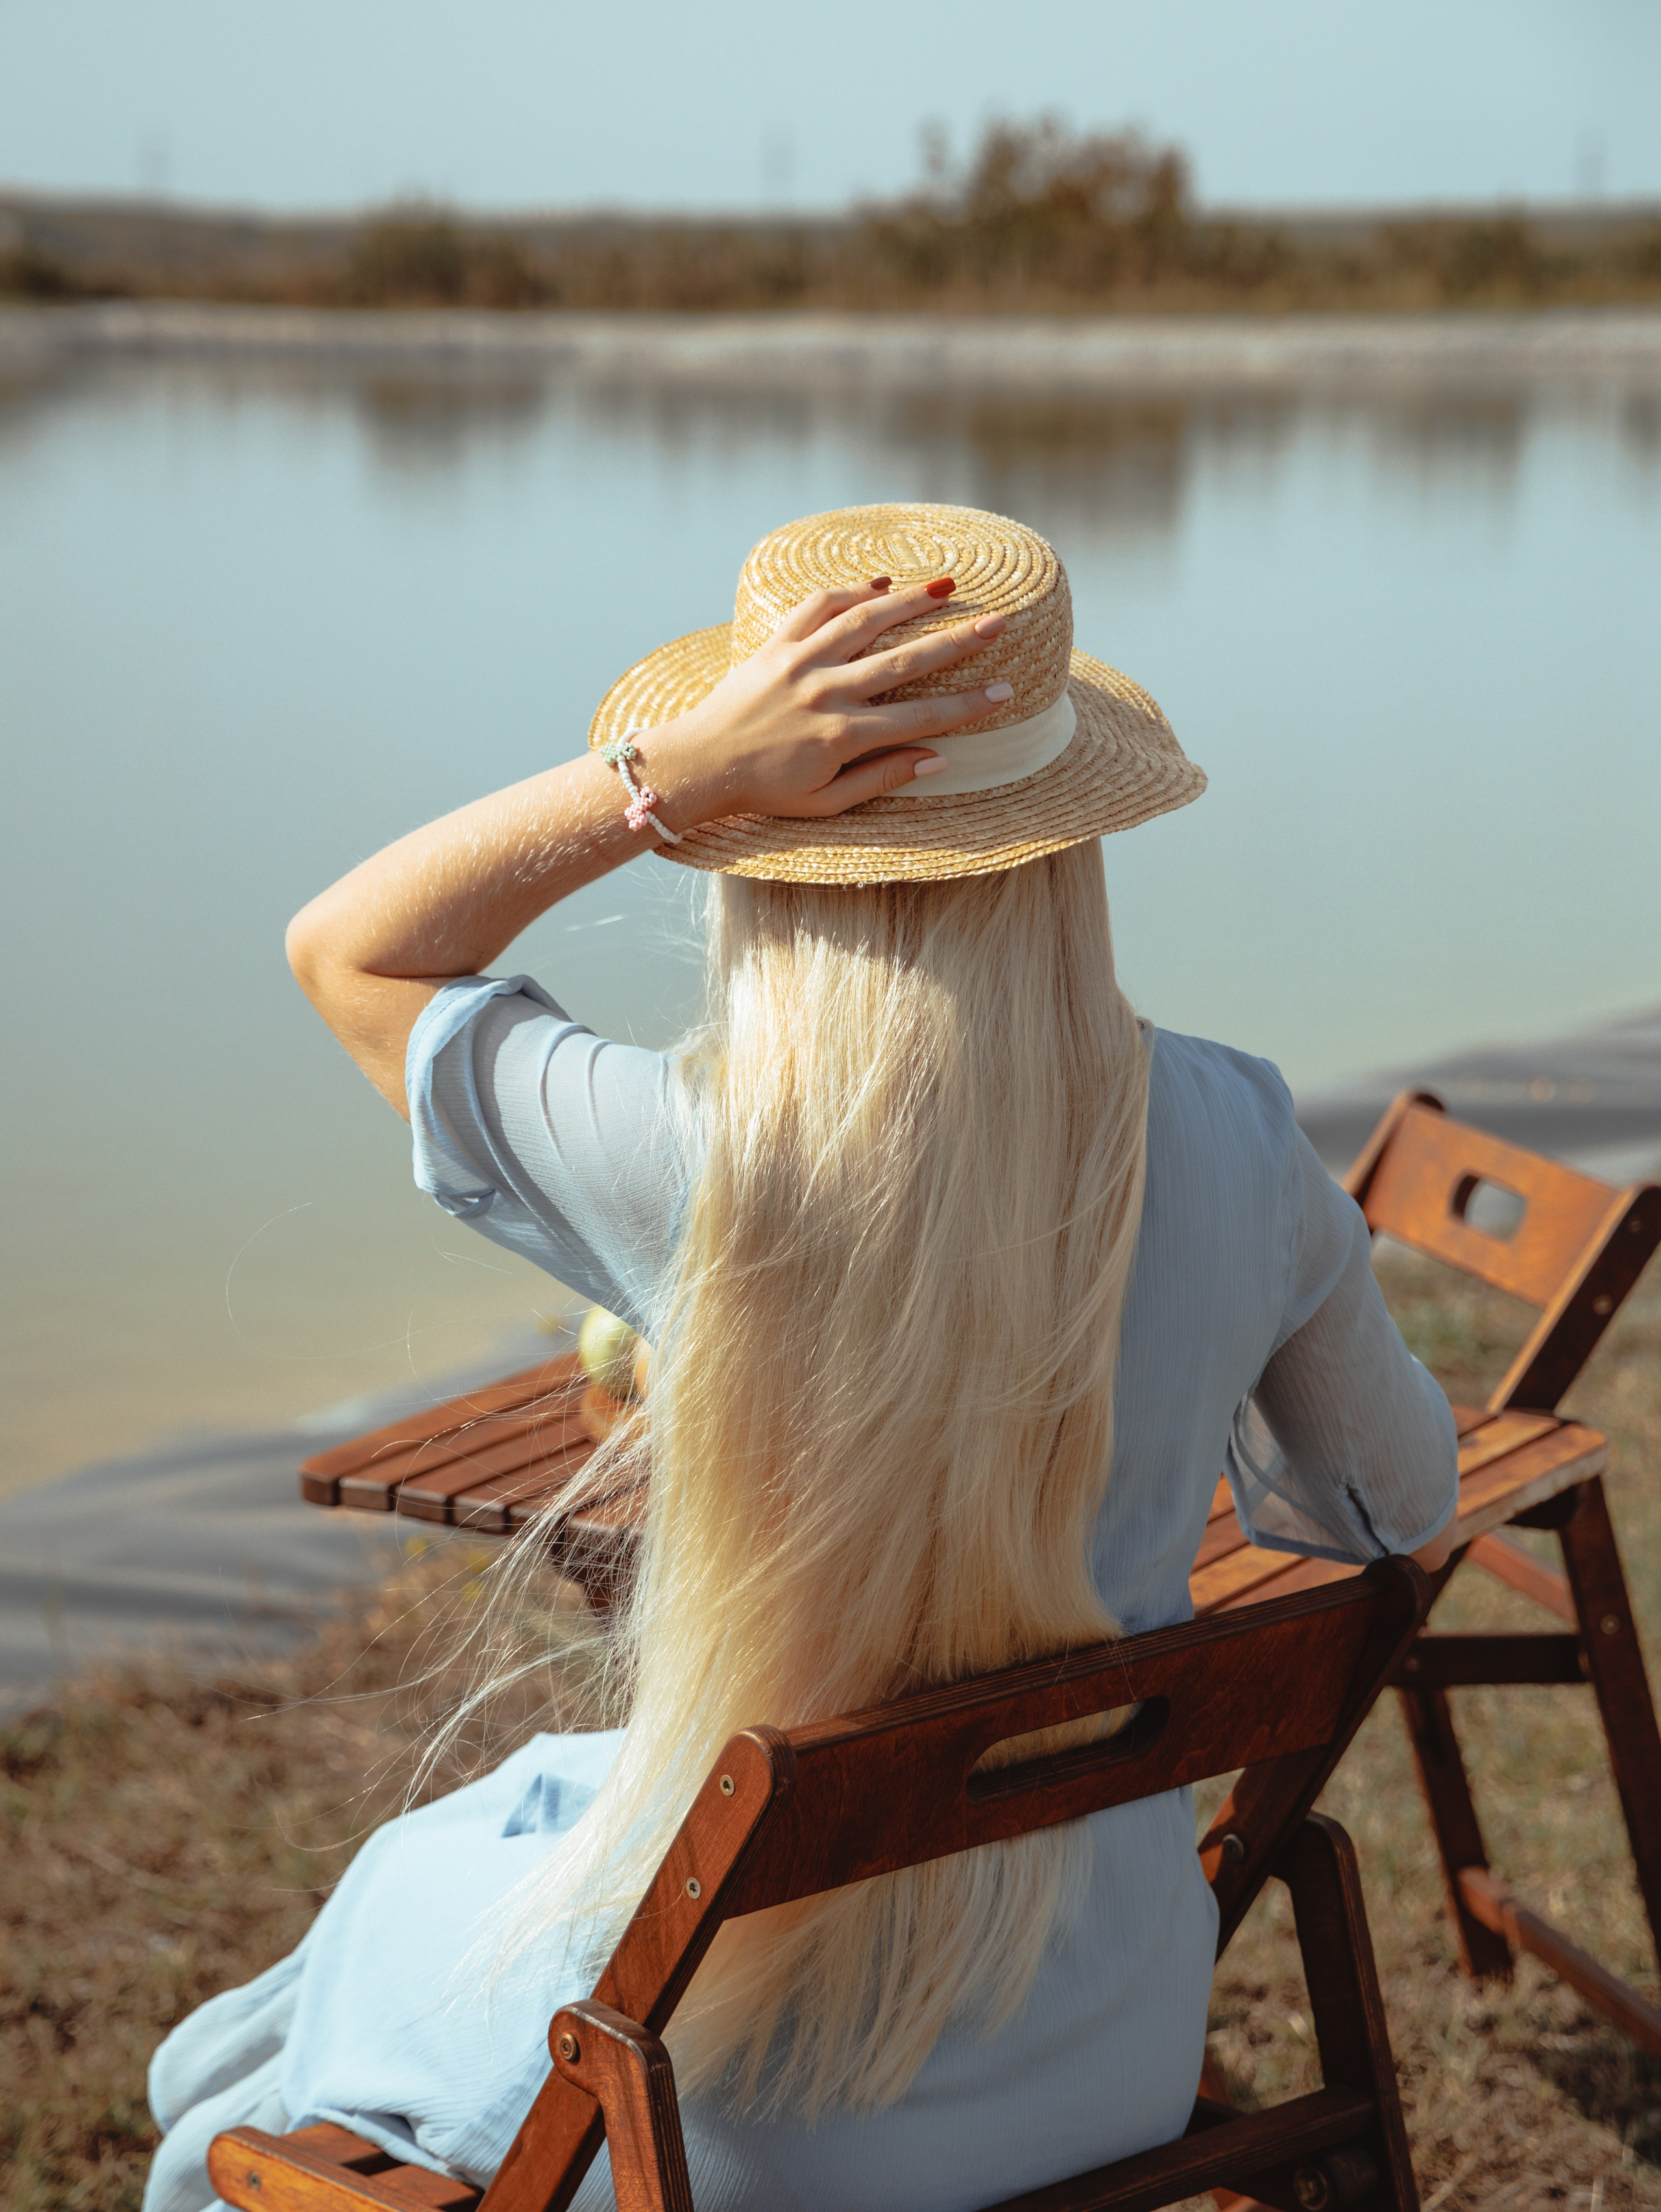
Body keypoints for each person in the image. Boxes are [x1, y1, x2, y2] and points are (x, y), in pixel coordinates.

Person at [144, 502, 1457, 2212]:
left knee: (295, 2019)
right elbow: (1392, 1497)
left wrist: (660, 778)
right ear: (1072, 841)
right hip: (1108, 2052)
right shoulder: (1236, 1128)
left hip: (742, 2122)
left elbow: (353, 949)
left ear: (767, 844)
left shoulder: (699, 1156)